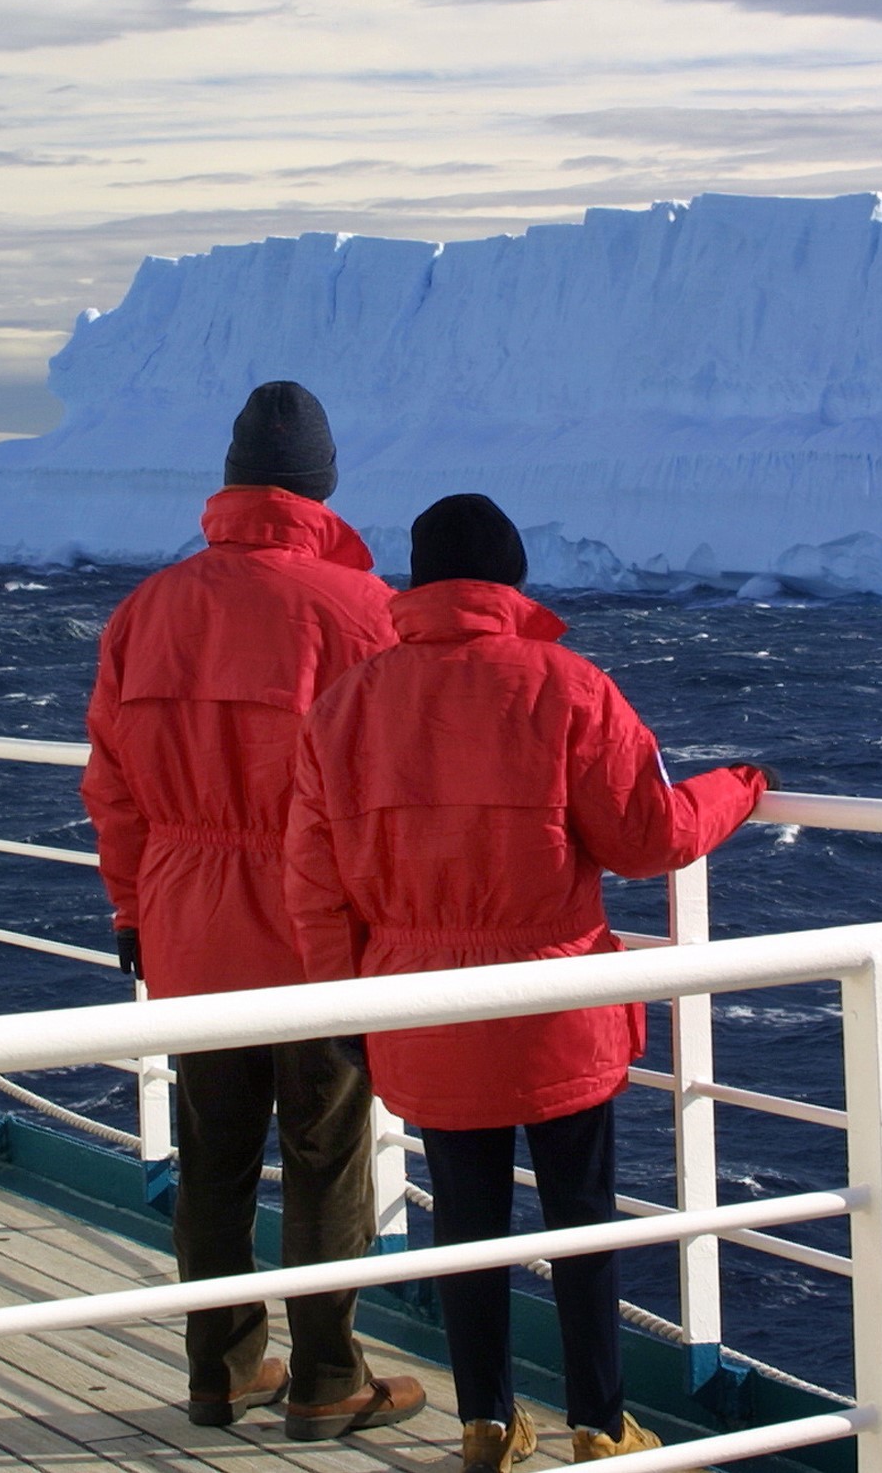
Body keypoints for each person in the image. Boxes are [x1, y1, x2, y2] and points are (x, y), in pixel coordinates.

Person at [285, 493, 772, 1472]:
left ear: (417, 583)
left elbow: (313, 880)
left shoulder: (346, 704)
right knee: (581, 1220)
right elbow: (648, 838)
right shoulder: (565, 683)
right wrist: (737, 788)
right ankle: (599, 1423)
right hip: (554, 1006)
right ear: (509, 581)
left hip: (421, 1002)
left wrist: (347, 1008)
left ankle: (487, 1425)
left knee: (467, 1224)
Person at [82, 381, 427, 1442]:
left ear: (230, 483)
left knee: (213, 1152)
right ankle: (327, 1379)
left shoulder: (147, 611)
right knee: (324, 1150)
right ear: (322, 490)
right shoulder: (363, 615)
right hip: (314, 925)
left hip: (186, 919)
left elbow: (113, 786)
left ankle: (219, 1371)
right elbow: (393, 788)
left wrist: (135, 911)